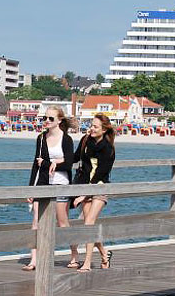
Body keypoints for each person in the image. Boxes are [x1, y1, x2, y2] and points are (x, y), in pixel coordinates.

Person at [23, 106, 78, 271]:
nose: (46, 121)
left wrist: (50, 163)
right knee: (35, 222)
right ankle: (34, 259)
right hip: (42, 182)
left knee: (62, 222)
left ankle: (74, 255)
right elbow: (36, 164)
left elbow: (69, 163)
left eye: (50, 119)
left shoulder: (66, 139)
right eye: (44, 118)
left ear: (59, 121)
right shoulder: (40, 138)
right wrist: (31, 189)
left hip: (61, 183)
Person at [73, 114, 116, 272]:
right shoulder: (86, 140)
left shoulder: (108, 148)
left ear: (104, 130)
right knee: (88, 224)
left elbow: (100, 173)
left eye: (95, 126)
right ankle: (105, 254)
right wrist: (55, 162)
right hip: (85, 186)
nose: (91, 128)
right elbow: (75, 157)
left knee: (89, 222)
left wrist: (84, 196)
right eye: (91, 125)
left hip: (99, 187)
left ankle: (87, 262)